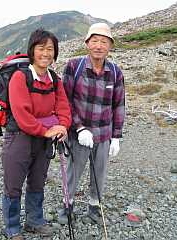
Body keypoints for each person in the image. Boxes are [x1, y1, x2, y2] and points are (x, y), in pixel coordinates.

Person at [1, 28, 71, 240]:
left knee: (37, 181)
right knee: (13, 183)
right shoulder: (19, 78)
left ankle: (34, 221)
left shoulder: (55, 79)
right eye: (41, 48)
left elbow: (63, 107)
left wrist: (63, 127)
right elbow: (23, 115)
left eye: (50, 49)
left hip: (44, 139)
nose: (46, 53)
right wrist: (47, 130)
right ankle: (12, 227)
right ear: (32, 50)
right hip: (19, 138)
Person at [60, 23, 125, 224]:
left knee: (99, 174)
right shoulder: (74, 66)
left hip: (104, 135)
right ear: (87, 43)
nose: (99, 45)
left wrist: (116, 136)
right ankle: (67, 207)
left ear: (110, 46)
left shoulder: (115, 72)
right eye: (95, 41)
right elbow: (65, 101)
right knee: (73, 172)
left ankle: (94, 208)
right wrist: (79, 128)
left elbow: (119, 105)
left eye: (104, 42)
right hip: (79, 134)